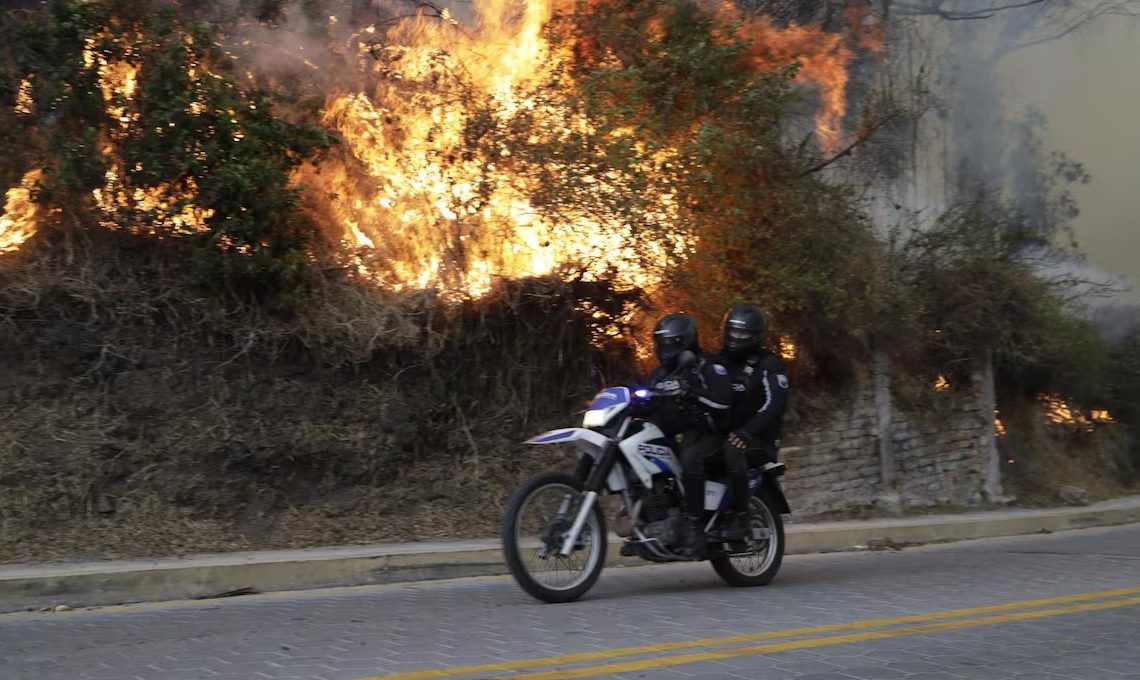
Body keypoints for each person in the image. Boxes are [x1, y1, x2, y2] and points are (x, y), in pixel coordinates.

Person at [644, 312, 733, 558]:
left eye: (668, 343)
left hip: (711, 434)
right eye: (659, 343)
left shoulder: (708, 367)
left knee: (690, 457)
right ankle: (652, 518)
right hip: (677, 436)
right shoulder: (659, 374)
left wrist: (690, 392)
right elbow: (643, 394)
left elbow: (723, 402)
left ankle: (695, 528)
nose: (662, 349)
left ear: (683, 341)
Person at [716, 304, 789, 540]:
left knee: (732, 449)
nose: (736, 338)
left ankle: (741, 517)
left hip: (758, 439)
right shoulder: (719, 362)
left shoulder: (769, 364)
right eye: (733, 332)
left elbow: (774, 404)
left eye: (743, 334)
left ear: (755, 336)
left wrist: (747, 432)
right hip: (726, 432)